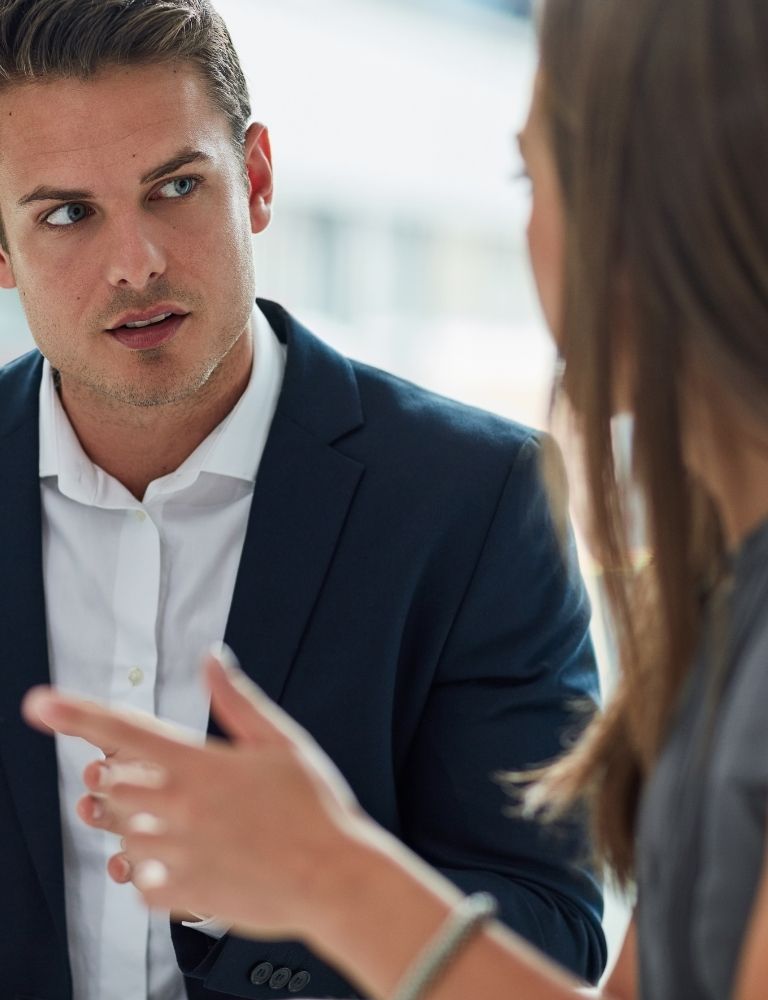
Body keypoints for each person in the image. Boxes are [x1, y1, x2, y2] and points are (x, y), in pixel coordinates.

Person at [23, 0, 768, 997]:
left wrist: (307, 874)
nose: (136, 262)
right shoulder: (722, 621)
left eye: (176, 187)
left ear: (256, 179)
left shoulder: (483, 496)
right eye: (68, 213)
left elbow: (554, 923)